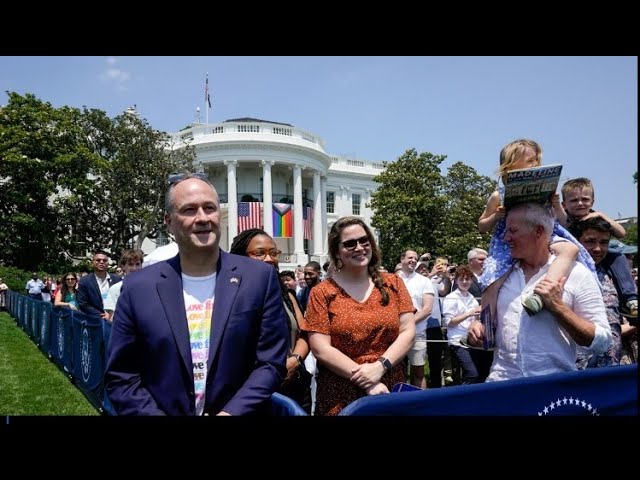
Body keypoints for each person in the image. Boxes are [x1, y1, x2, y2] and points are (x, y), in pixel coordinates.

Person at [105, 173, 288, 415]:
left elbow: (270, 363)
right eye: (189, 210)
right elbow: (122, 376)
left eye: (209, 208)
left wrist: (231, 413)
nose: (202, 218)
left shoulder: (259, 278)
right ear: (168, 222)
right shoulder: (138, 287)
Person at [468, 203, 611, 382]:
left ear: (539, 232)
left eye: (513, 230)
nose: (505, 238)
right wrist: (476, 329)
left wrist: (558, 308)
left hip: (555, 393)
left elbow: (602, 343)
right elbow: (489, 329)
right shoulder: (500, 275)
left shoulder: (577, 274)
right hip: (502, 388)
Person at [299, 216, 415, 415]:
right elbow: (320, 348)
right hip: (340, 392)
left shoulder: (393, 283)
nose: (359, 247)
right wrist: (367, 381)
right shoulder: (322, 293)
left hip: (388, 384)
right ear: (337, 251)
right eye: (350, 244)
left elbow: (408, 331)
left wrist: (380, 367)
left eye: (364, 240)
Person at [478, 139, 593, 315]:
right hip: (509, 241)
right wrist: (495, 216)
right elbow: (482, 226)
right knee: (492, 279)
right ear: (509, 166)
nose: (534, 164)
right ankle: (485, 326)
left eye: (536, 161)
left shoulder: (547, 193)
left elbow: (563, 222)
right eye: (529, 161)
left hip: (546, 234)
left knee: (570, 249)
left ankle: (542, 292)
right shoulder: (498, 196)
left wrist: (556, 205)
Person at [230, 228, 312, 413]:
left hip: (293, 385)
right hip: (249, 390)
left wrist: (295, 360)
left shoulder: (287, 296)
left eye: (273, 253)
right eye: (260, 253)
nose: (269, 258)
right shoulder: (228, 296)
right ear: (240, 256)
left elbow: (305, 333)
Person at [571, 217, 635, 367]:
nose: (598, 248)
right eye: (590, 241)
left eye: (604, 243)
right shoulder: (564, 274)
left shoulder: (614, 275)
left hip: (610, 368)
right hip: (576, 370)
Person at [397, 249, 434, 389]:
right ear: (402, 259)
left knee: (418, 373)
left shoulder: (424, 281)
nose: (412, 260)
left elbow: (427, 309)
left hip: (417, 333)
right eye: (409, 257)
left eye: (415, 258)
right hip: (395, 334)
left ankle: (420, 405)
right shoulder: (392, 279)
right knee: (396, 373)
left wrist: (407, 324)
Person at [77, 250, 121, 320]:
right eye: (98, 260)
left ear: (108, 263)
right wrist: (100, 315)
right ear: (93, 262)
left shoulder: (117, 279)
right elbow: (83, 303)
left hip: (116, 319)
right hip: (95, 321)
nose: (101, 262)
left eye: (104, 260)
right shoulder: (84, 281)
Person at [103, 249, 144, 322]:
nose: (134, 268)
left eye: (137, 264)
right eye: (130, 264)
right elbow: (112, 318)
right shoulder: (115, 289)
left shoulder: (148, 287)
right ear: (123, 267)